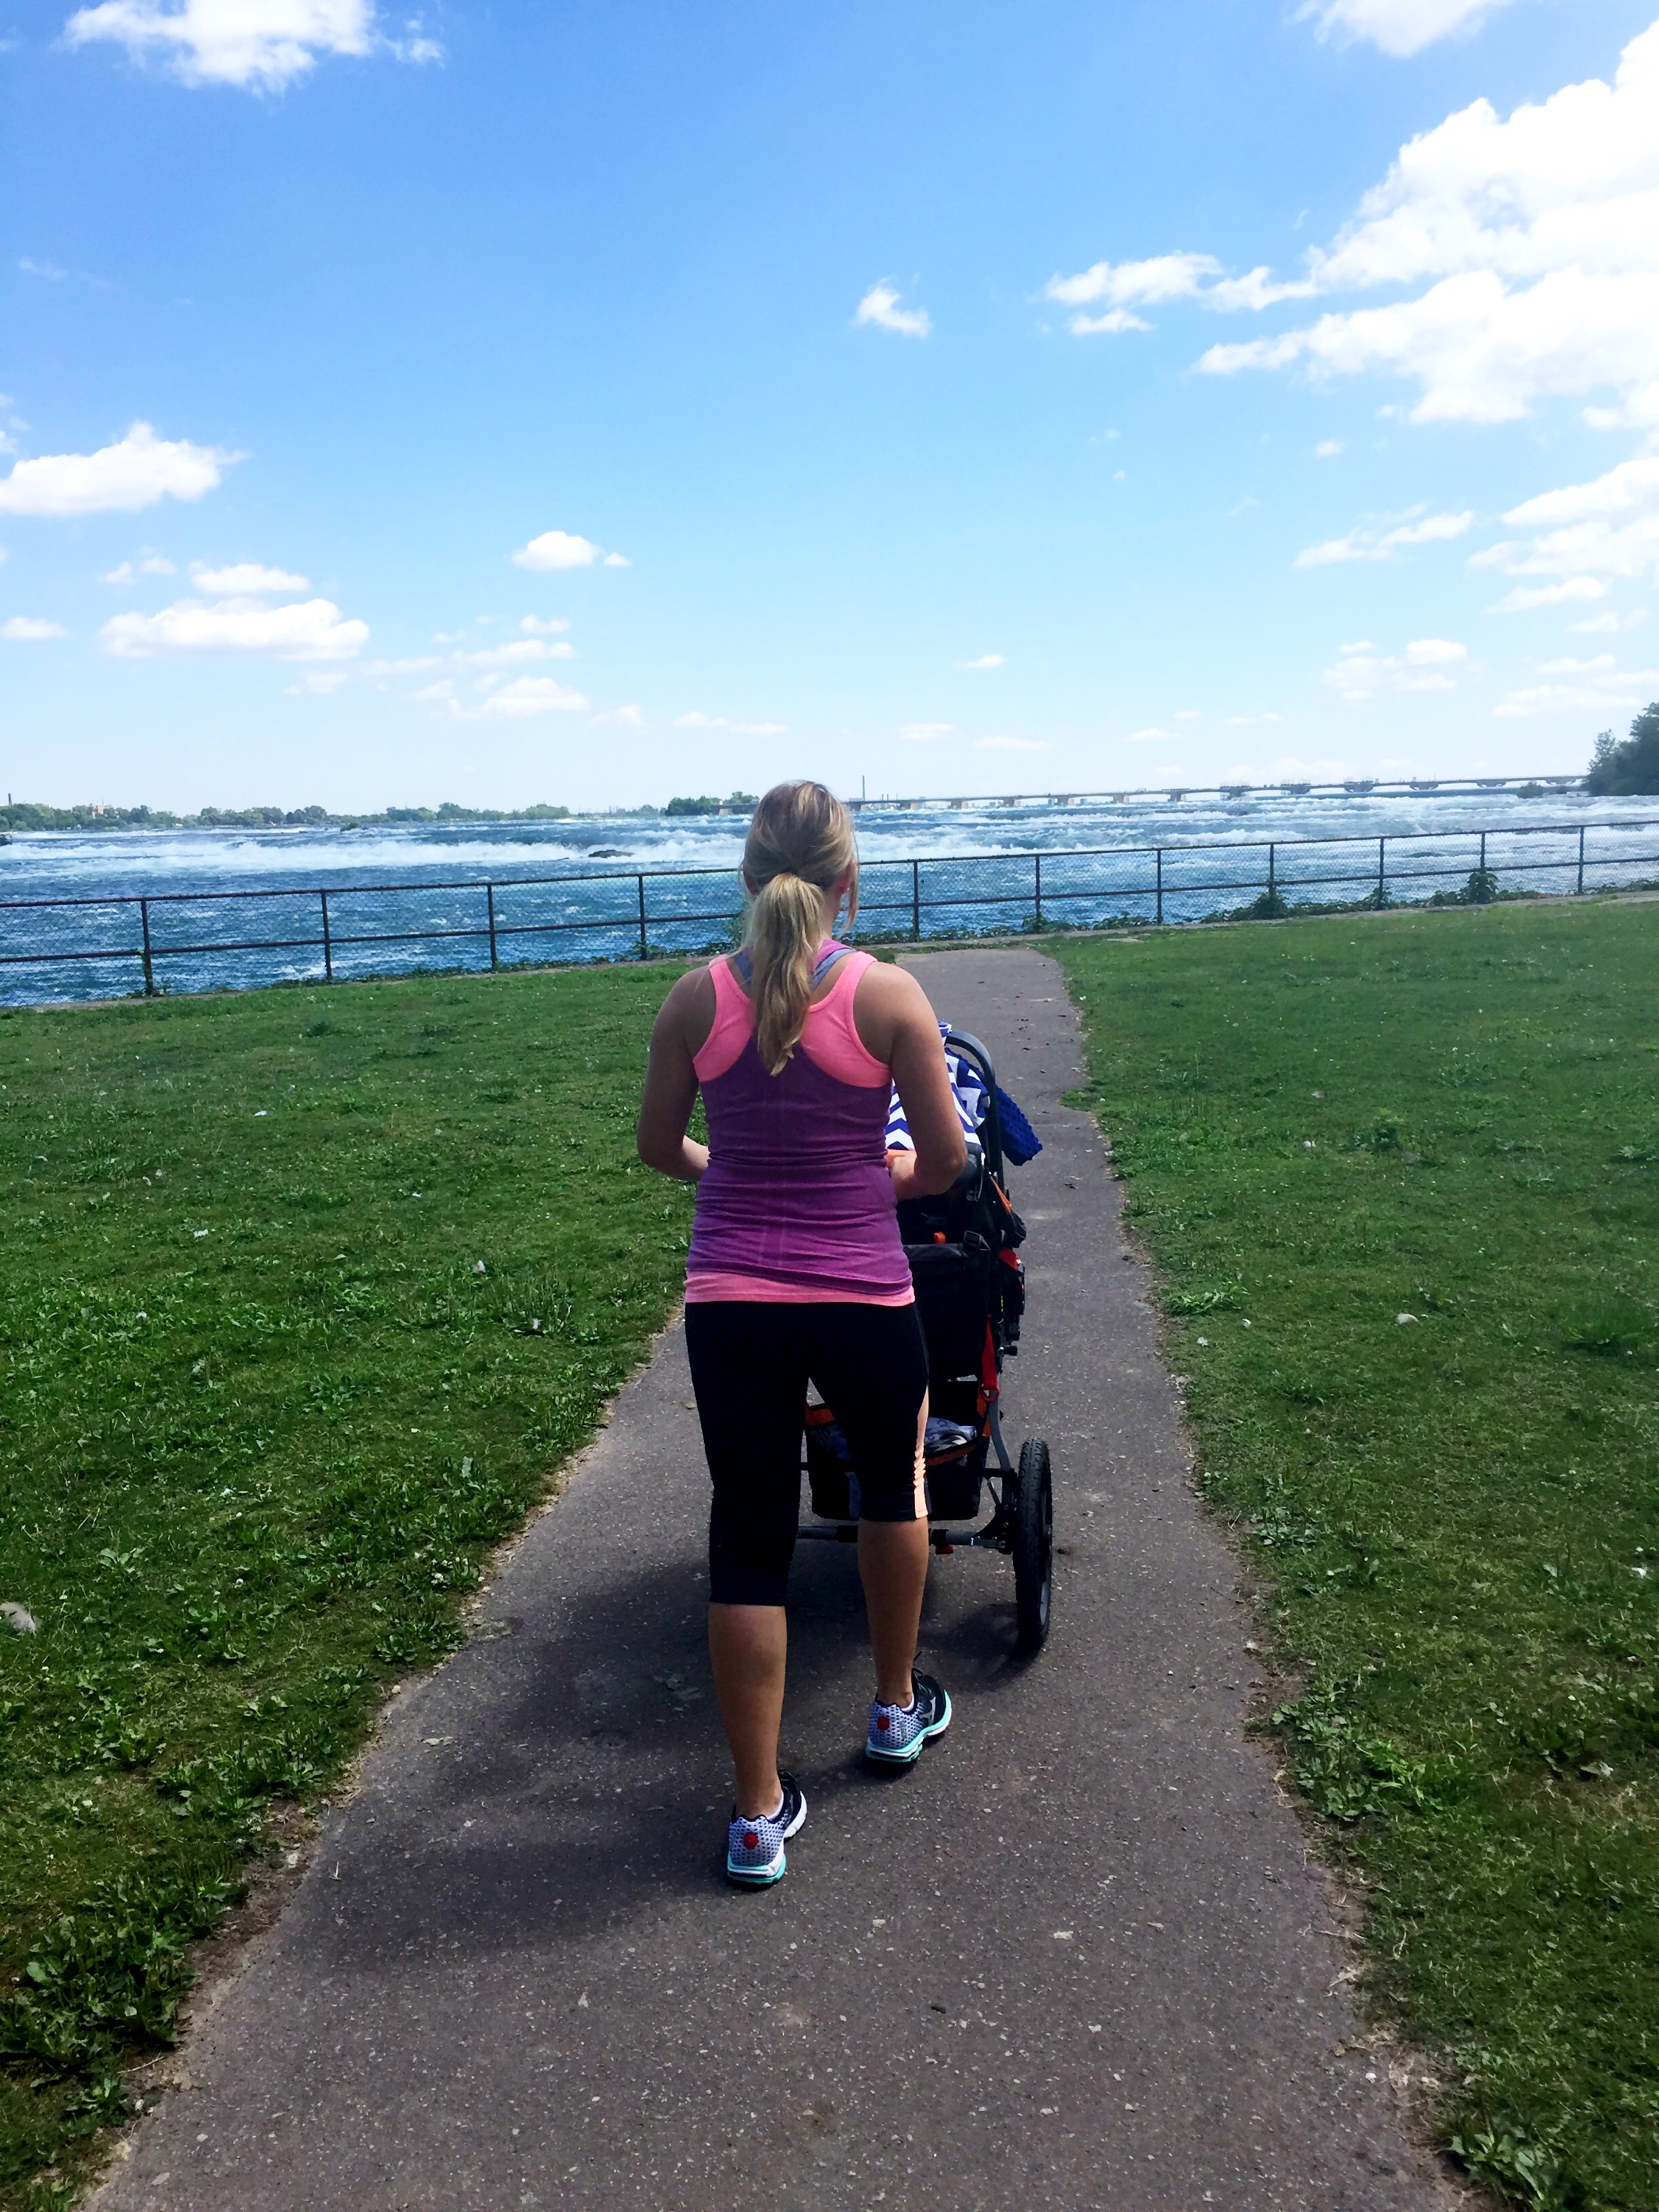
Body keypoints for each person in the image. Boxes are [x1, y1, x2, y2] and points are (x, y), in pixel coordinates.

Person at [636, 780, 967, 1886]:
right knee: (892, 1490)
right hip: (864, 1295)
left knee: (747, 1530)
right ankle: (892, 1708)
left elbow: (659, 1147)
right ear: (847, 882)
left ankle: (754, 1813)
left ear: (747, 876)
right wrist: (878, 1181)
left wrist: (731, 1174)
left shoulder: (694, 999)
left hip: (732, 1303)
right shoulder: (888, 996)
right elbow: (945, 1162)